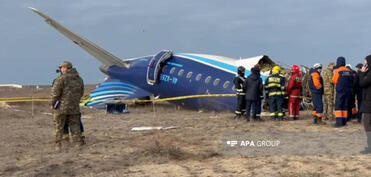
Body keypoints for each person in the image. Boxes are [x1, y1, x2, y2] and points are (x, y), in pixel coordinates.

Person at [51, 61, 85, 152]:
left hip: (61, 108)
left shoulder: (61, 79)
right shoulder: (79, 79)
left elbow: (55, 94)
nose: (60, 69)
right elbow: (81, 92)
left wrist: (53, 104)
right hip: (74, 107)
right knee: (75, 127)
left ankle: (58, 146)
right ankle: (78, 145)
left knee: (59, 127)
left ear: (66, 68)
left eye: (61, 68)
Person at [332, 57, 354, 127]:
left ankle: (339, 122)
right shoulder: (349, 71)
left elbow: (334, 80)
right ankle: (344, 121)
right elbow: (351, 80)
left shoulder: (337, 70)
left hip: (340, 91)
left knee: (338, 106)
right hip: (348, 91)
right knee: (345, 106)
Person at [359, 55, 371, 153]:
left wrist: (362, 73)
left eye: (366, 63)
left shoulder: (370, 75)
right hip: (368, 103)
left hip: (369, 104)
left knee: (367, 125)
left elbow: (362, 84)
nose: (364, 65)